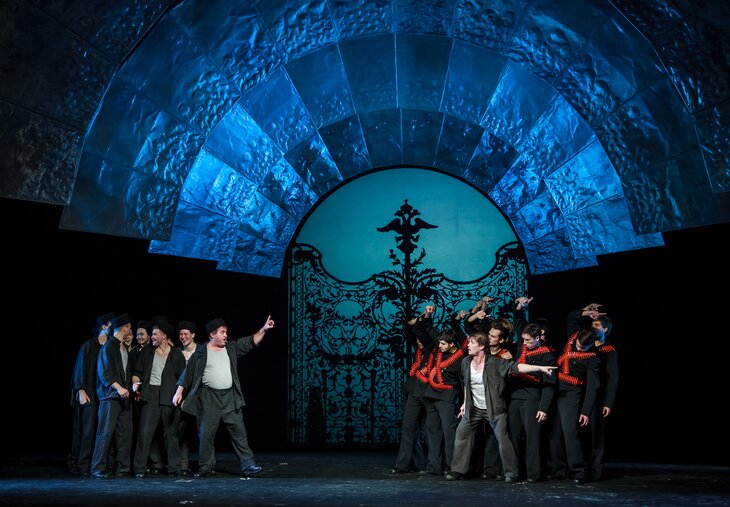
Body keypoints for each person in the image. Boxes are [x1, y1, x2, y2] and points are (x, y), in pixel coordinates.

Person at [445, 331, 556, 482]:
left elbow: (516, 367)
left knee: (503, 439)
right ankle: (457, 470)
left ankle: (511, 473)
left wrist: (540, 368)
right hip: (474, 408)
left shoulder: (495, 363)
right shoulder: (466, 362)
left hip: (494, 408)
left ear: (482, 346)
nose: (468, 345)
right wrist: (465, 402)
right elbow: (467, 383)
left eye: (472, 343)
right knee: (461, 434)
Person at [173, 316, 275, 478]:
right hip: (209, 398)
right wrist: (179, 391)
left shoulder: (231, 348)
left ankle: (249, 465)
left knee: (239, 433)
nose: (226, 335)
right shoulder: (200, 352)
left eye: (226, 332)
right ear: (212, 335)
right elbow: (188, 373)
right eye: (222, 332)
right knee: (206, 435)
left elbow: (250, 341)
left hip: (230, 398)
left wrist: (264, 329)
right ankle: (205, 467)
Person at [132, 321, 186, 477]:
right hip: (150, 395)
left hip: (169, 396)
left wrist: (181, 396)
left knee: (171, 434)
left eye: (155, 334)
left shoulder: (176, 354)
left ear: (164, 335)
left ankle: (174, 468)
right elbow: (137, 372)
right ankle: (139, 468)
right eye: (152, 334)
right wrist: (135, 383)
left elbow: (183, 378)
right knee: (145, 433)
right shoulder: (147, 352)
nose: (152, 337)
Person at [390, 306, 439, 475]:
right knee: (409, 428)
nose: (418, 341)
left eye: (421, 339)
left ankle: (434, 466)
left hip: (430, 394)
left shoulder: (433, 348)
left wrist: (427, 316)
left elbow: (422, 331)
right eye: (417, 340)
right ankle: (405, 464)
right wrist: (413, 322)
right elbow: (408, 331)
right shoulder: (419, 350)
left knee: (430, 430)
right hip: (414, 393)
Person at [507, 322, 557, 482]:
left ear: (537, 338)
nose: (525, 343)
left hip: (532, 399)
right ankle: (514, 472)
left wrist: (543, 408)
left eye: (528, 340)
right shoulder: (522, 348)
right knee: (514, 436)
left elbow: (550, 385)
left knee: (532, 437)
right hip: (516, 397)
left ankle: (533, 474)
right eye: (523, 340)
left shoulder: (547, 356)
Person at [553, 327, 602, 483]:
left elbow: (593, 387)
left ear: (591, 345)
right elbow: (573, 319)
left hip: (571, 394)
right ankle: (559, 470)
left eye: (583, 348)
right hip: (555, 391)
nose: (579, 349)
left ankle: (579, 472)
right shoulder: (571, 341)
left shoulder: (592, 359)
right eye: (579, 345)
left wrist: (586, 411)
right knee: (555, 434)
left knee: (570, 433)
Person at [68, 312, 114, 476]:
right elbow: (79, 369)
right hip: (89, 394)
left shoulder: (111, 347)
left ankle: (99, 464)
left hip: (104, 395)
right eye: (111, 325)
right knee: (87, 431)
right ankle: (83, 465)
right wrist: (80, 390)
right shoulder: (89, 346)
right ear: (104, 327)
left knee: (101, 432)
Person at [90, 313, 134, 479]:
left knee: (125, 433)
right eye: (129, 328)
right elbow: (105, 373)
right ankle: (97, 467)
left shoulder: (124, 348)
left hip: (124, 397)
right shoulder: (108, 347)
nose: (130, 332)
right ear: (124, 329)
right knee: (105, 433)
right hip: (110, 396)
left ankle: (122, 468)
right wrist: (119, 388)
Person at [421, 323, 465, 476]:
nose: (439, 346)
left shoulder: (460, 359)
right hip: (431, 395)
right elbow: (428, 332)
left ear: (452, 344)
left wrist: (463, 402)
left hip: (447, 397)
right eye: (439, 343)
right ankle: (434, 466)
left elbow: (463, 382)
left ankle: (452, 467)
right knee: (432, 432)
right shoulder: (439, 353)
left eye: (443, 344)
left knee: (448, 433)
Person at [177, 320, 200, 475]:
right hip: (183, 396)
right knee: (182, 432)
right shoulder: (177, 353)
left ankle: (206, 465)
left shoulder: (202, 351)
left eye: (186, 334)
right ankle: (183, 465)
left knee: (203, 432)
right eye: (181, 334)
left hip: (200, 396)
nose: (183, 337)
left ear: (193, 335)